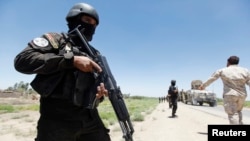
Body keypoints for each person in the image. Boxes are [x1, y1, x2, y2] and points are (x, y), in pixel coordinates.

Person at [14, 3, 112, 141]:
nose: (92, 26)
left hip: (89, 117)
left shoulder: (94, 53)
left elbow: (95, 88)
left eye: (95, 24)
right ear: (74, 19)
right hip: (57, 118)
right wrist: (70, 61)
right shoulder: (57, 40)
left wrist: (100, 94)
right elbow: (23, 60)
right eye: (87, 21)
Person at [199, 55, 250, 125]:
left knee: (232, 114)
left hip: (230, 95)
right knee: (238, 111)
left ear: (228, 62)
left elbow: (212, 78)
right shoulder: (245, 71)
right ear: (237, 63)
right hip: (242, 95)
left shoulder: (223, 70)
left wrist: (203, 86)